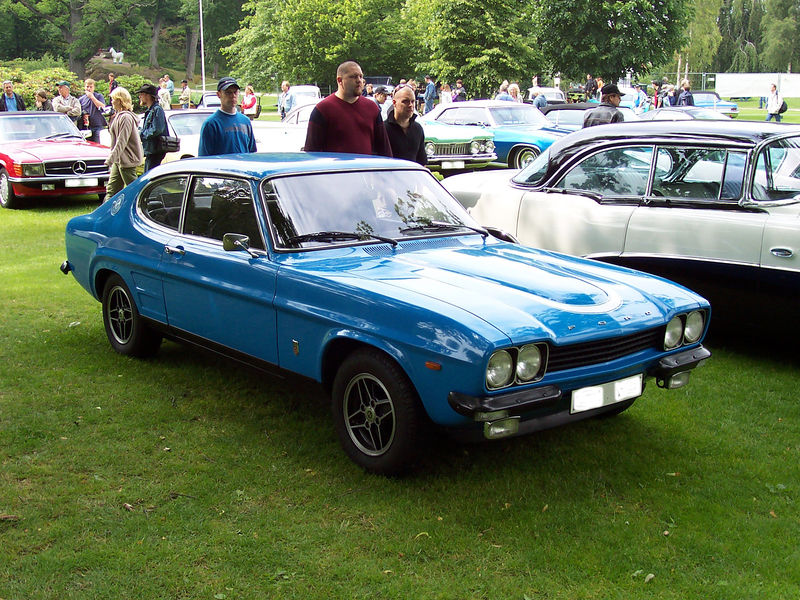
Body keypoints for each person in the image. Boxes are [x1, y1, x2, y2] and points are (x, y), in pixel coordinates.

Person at [304, 61, 392, 156]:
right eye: (353, 77)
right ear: (340, 80)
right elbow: (311, 152)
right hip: (336, 169)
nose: (359, 80)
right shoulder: (323, 110)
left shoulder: (372, 108)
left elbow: (385, 150)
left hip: (366, 170)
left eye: (361, 76)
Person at [198, 77, 257, 156]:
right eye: (228, 93)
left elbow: (252, 153)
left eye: (235, 92)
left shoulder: (245, 121)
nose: (233, 96)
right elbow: (204, 157)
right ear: (219, 94)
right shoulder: (211, 124)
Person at [104, 87, 143, 197]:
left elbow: (122, 141)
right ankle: (104, 214)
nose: (111, 102)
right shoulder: (118, 116)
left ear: (120, 100)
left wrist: (110, 159)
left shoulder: (126, 117)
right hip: (119, 159)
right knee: (111, 190)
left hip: (127, 160)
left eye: (113, 99)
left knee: (135, 192)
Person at [384, 85, 426, 166]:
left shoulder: (418, 129)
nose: (410, 105)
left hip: (413, 177)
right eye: (405, 101)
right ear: (394, 103)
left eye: (412, 101)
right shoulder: (383, 129)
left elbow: (422, 162)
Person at [136, 83, 168, 172]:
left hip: (155, 150)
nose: (139, 97)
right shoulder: (151, 110)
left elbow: (157, 129)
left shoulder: (157, 109)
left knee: (150, 178)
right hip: (151, 150)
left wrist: (141, 134)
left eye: (141, 94)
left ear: (148, 96)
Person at [79, 78, 108, 143]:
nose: (89, 89)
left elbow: (102, 107)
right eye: (87, 87)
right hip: (86, 127)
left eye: (91, 87)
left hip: (98, 125)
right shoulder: (81, 99)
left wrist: (92, 97)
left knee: (98, 145)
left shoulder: (98, 96)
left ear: (94, 87)